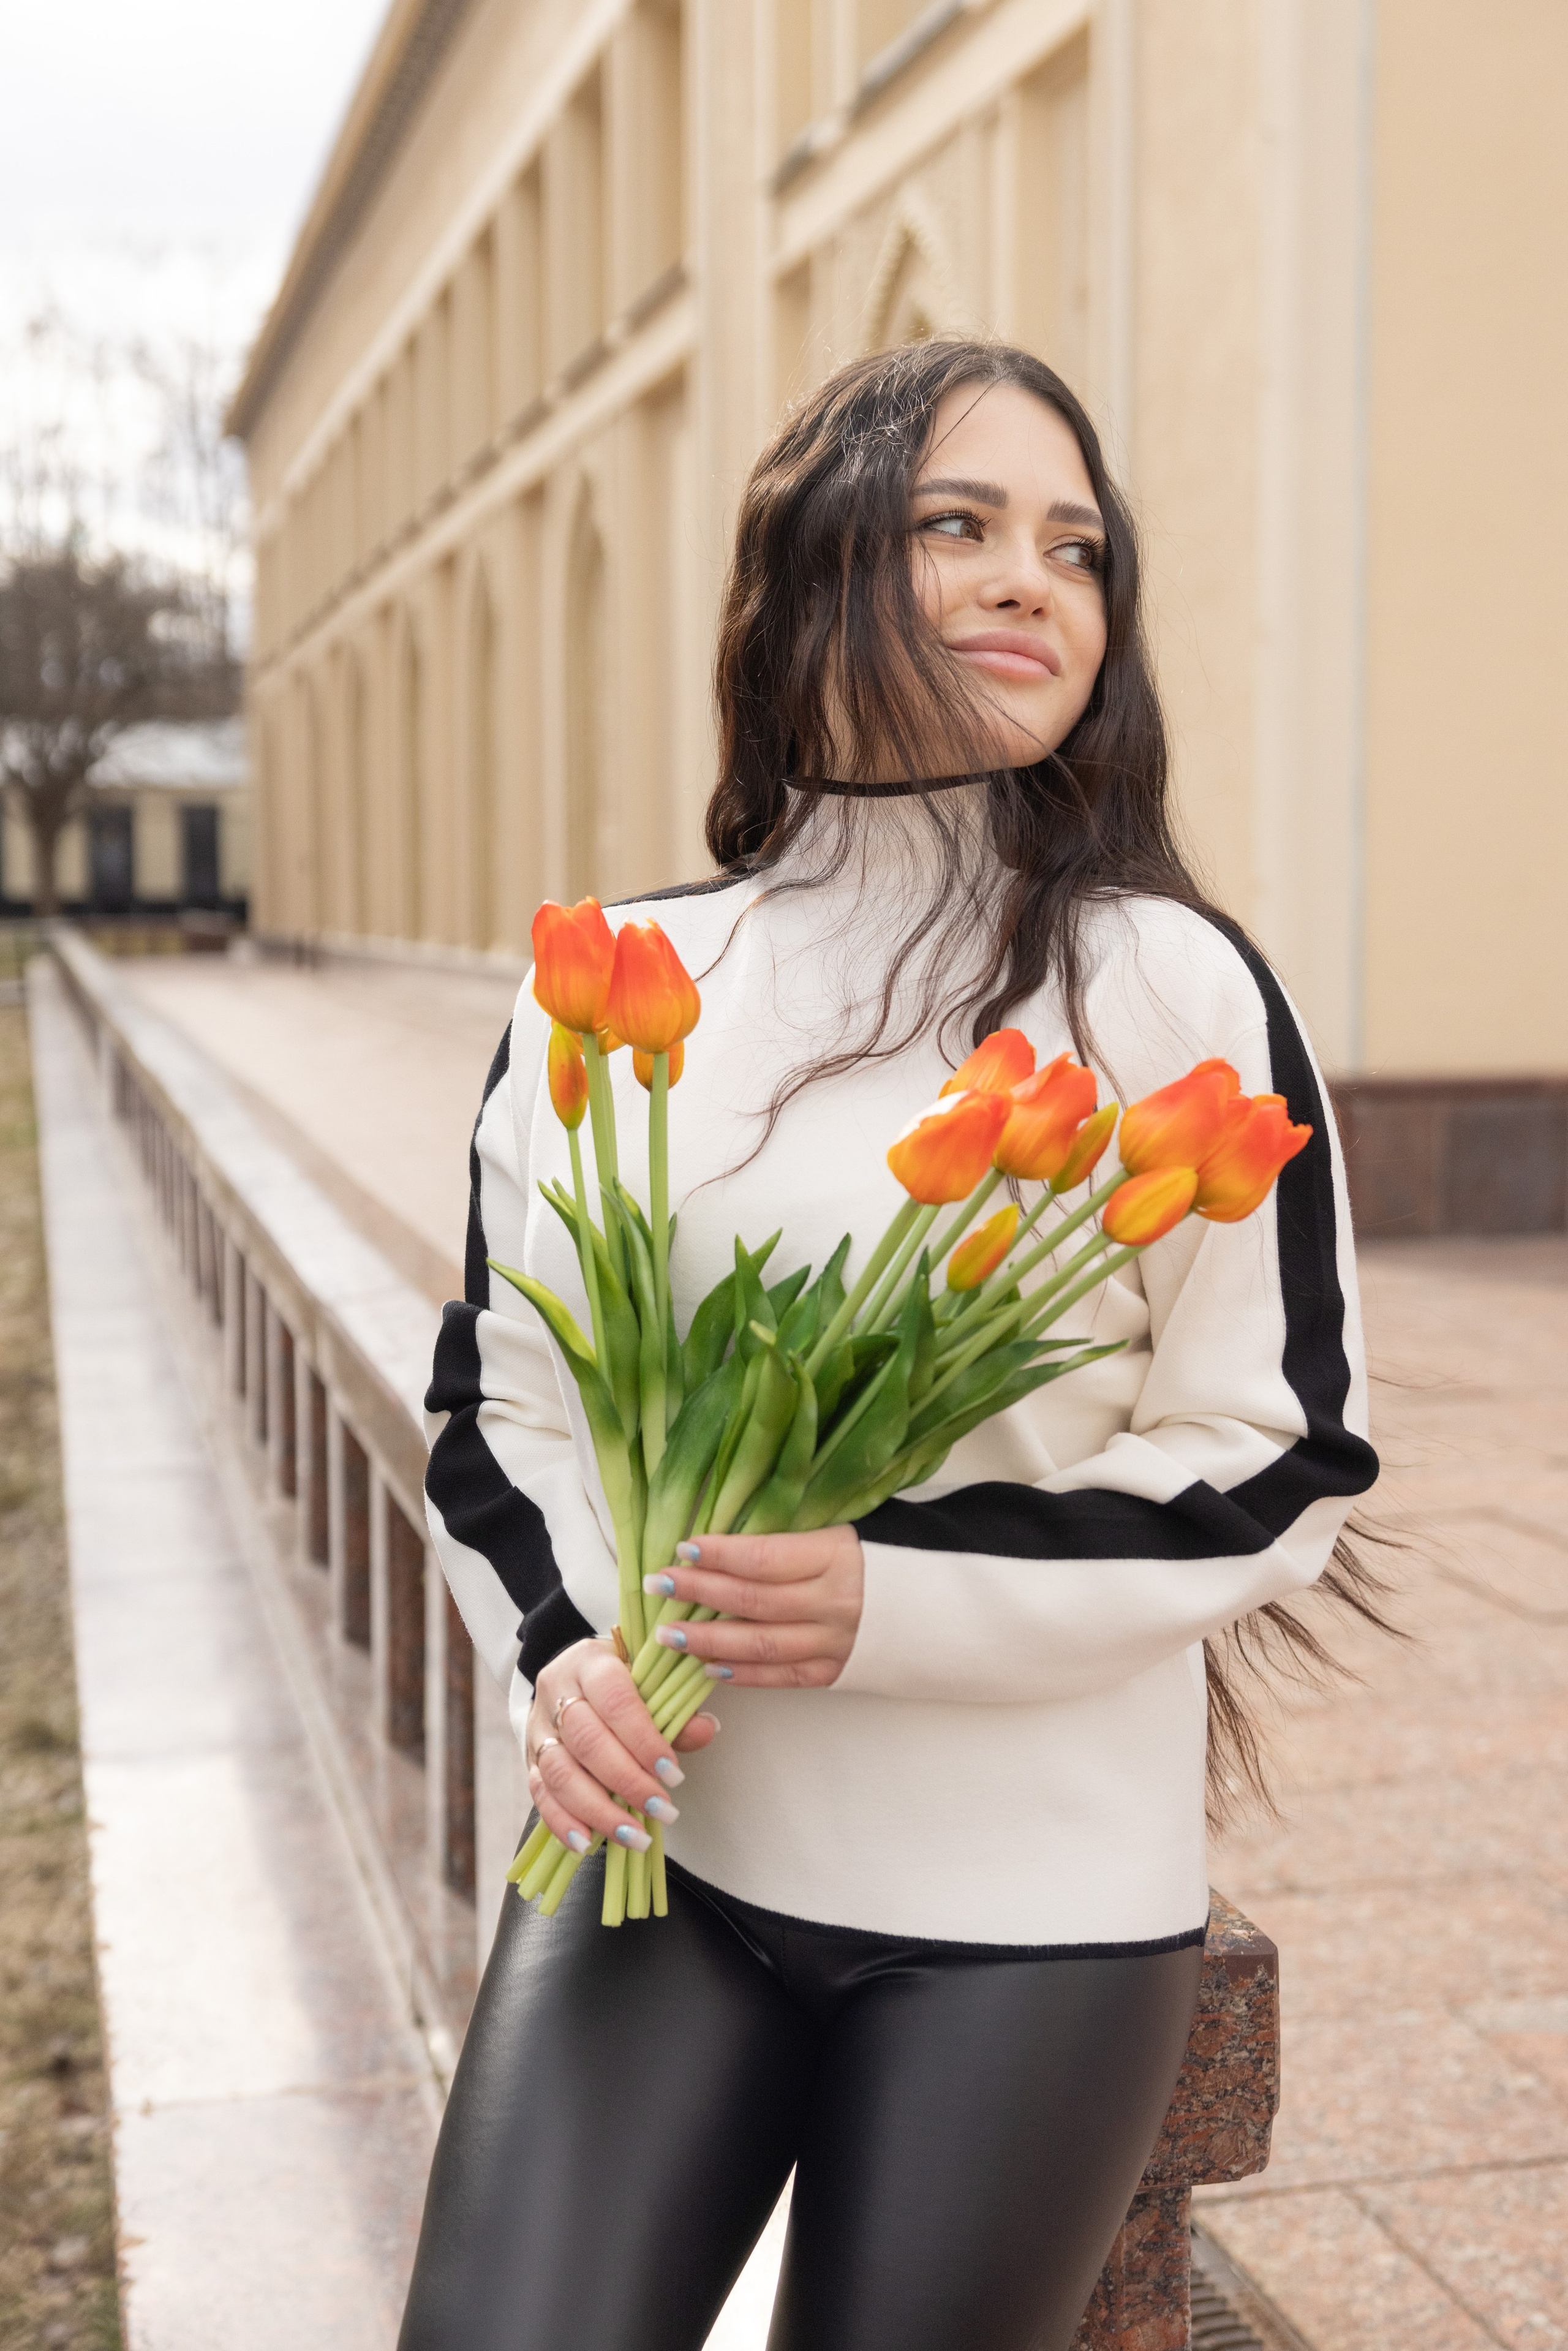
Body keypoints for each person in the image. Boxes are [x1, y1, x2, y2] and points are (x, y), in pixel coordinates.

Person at [399, 339, 1379, 2351]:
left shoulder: (1171, 986)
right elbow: (504, 1397)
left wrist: (889, 1596)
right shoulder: (625, 977)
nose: (1032, 579)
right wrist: (570, 1649)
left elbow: (1280, 1458)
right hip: (664, 1859)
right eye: (961, 524)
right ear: (817, 563)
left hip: (1029, 1923)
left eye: (1076, 548)